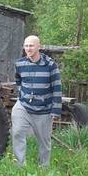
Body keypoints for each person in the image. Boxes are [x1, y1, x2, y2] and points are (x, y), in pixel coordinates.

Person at [12, 35, 62, 166]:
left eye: (31, 45)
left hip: (44, 109)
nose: (28, 48)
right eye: (26, 45)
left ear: (39, 47)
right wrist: (23, 96)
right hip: (23, 106)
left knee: (44, 141)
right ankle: (19, 165)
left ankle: (43, 167)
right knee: (17, 133)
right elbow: (19, 81)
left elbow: (57, 88)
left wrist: (55, 110)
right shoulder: (19, 64)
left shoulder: (50, 65)